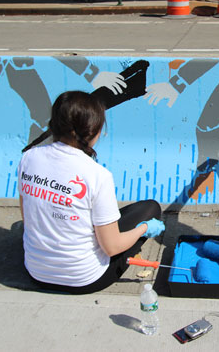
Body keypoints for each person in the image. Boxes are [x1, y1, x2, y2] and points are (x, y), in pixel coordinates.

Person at [18, 90, 164, 294]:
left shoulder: (28, 158)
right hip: (85, 279)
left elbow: (27, 220)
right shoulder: (97, 175)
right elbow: (111, 248)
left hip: (37, 273)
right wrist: (145, 228)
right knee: (150, 208)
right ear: (93, 131)